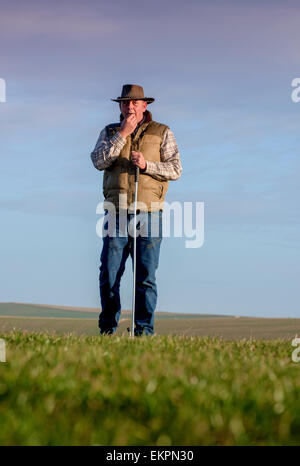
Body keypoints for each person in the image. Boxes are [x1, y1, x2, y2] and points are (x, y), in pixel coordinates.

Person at [90, 84, 182, 336]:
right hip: (115, 213)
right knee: (109, 274)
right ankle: (107, 329)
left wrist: (147, 164)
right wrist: (123, 134)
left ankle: (143, 331)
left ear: (145, 105)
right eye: (125, 103)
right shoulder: (110, 131)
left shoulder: (162, 132)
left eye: (134, 102)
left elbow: (175, 169)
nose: (129, 106)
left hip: (149, 213)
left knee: (145, 277)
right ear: (120, 106)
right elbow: (98, 161)